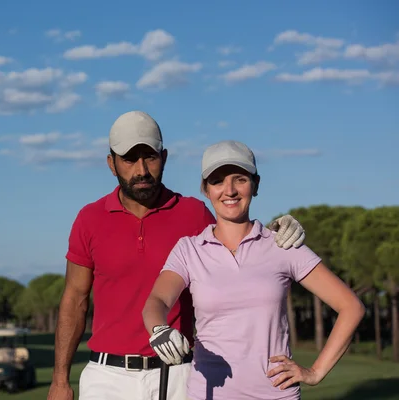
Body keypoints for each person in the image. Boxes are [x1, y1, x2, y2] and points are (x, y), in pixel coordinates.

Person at [47, 111, 307, 400]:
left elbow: (238, 247)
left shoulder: (193, 213)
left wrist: (276, 233)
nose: (142, 170)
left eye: (151, 157)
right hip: (108, 376)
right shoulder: (90, 219)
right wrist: (60, 380)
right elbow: (74, 299)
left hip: (179, 375)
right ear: (112, 164)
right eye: (129, 159)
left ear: (165, 158)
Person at [142, 140, 366, 400]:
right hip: (209, 394)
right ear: (205, 189)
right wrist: (159, 329)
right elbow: (156, 301)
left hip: (275, 395)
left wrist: (315, 372)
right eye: (217, 181)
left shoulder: (282, 244)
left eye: (240, 179)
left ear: (255, 185)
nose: (230, 190)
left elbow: (351, 307)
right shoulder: (189, 250)